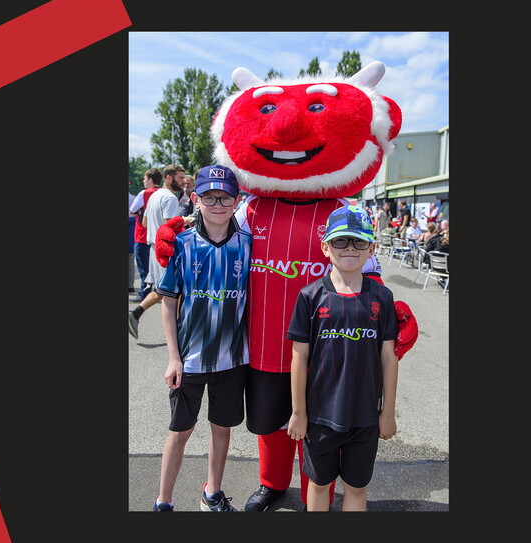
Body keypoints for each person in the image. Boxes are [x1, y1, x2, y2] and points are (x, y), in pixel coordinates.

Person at [153, 62, 419, 512]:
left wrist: (389, 315)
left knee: (317, 424)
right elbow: (213, 230)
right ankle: (272, 483)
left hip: (326, 347)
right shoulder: (251, 209)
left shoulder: (341, 213)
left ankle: (319, 489)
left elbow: (367, 270)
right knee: (271, 423)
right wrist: (176, 234)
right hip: (260, 343)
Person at [286, 205, 399, 512]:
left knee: (356, 488)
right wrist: (299, 413)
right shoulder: (310, 296)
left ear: (371, 249)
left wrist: (387, 412)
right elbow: (299, 359)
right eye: (340, 240)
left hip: (365, 416)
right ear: (326, 247)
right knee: (319, 484)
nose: (350, 248)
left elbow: (389, 358)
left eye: (359, 241)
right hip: (320, 416)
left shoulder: (382, 297)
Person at [152, 164, 251, 512]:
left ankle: (212, 493)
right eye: (209, 197)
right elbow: (168, 304)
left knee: (222, 430)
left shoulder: (248, 245)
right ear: (195, 199)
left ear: (237, 200)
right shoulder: (181, 244)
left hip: (232, 359)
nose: (218, 204)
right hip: (190, 360)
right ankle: (164, 501)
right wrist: (173, 358)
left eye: (225, 197)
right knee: (179, 432)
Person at [128, 164, 184, 339]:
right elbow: (169, 226)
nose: (183, 181)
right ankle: (176, 333)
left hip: (153, 247)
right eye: (180, 178)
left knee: (164, 289)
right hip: (164, 249)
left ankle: (136, 314)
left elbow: (144, 222)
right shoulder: (170, 198)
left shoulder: (154, 196)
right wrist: (186, 222)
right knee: (173, 292)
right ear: (169, 177)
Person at [130, 169, 161, 300]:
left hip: (142, 235)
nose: (143, 181)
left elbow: (132, 210)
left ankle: (144, 292)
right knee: (156, 267)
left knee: (144, 267)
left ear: (150, 180)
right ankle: (158, 291)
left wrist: (139, 213)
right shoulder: (162, 193)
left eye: (144, 179)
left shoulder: (145, 193)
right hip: (157, 235)